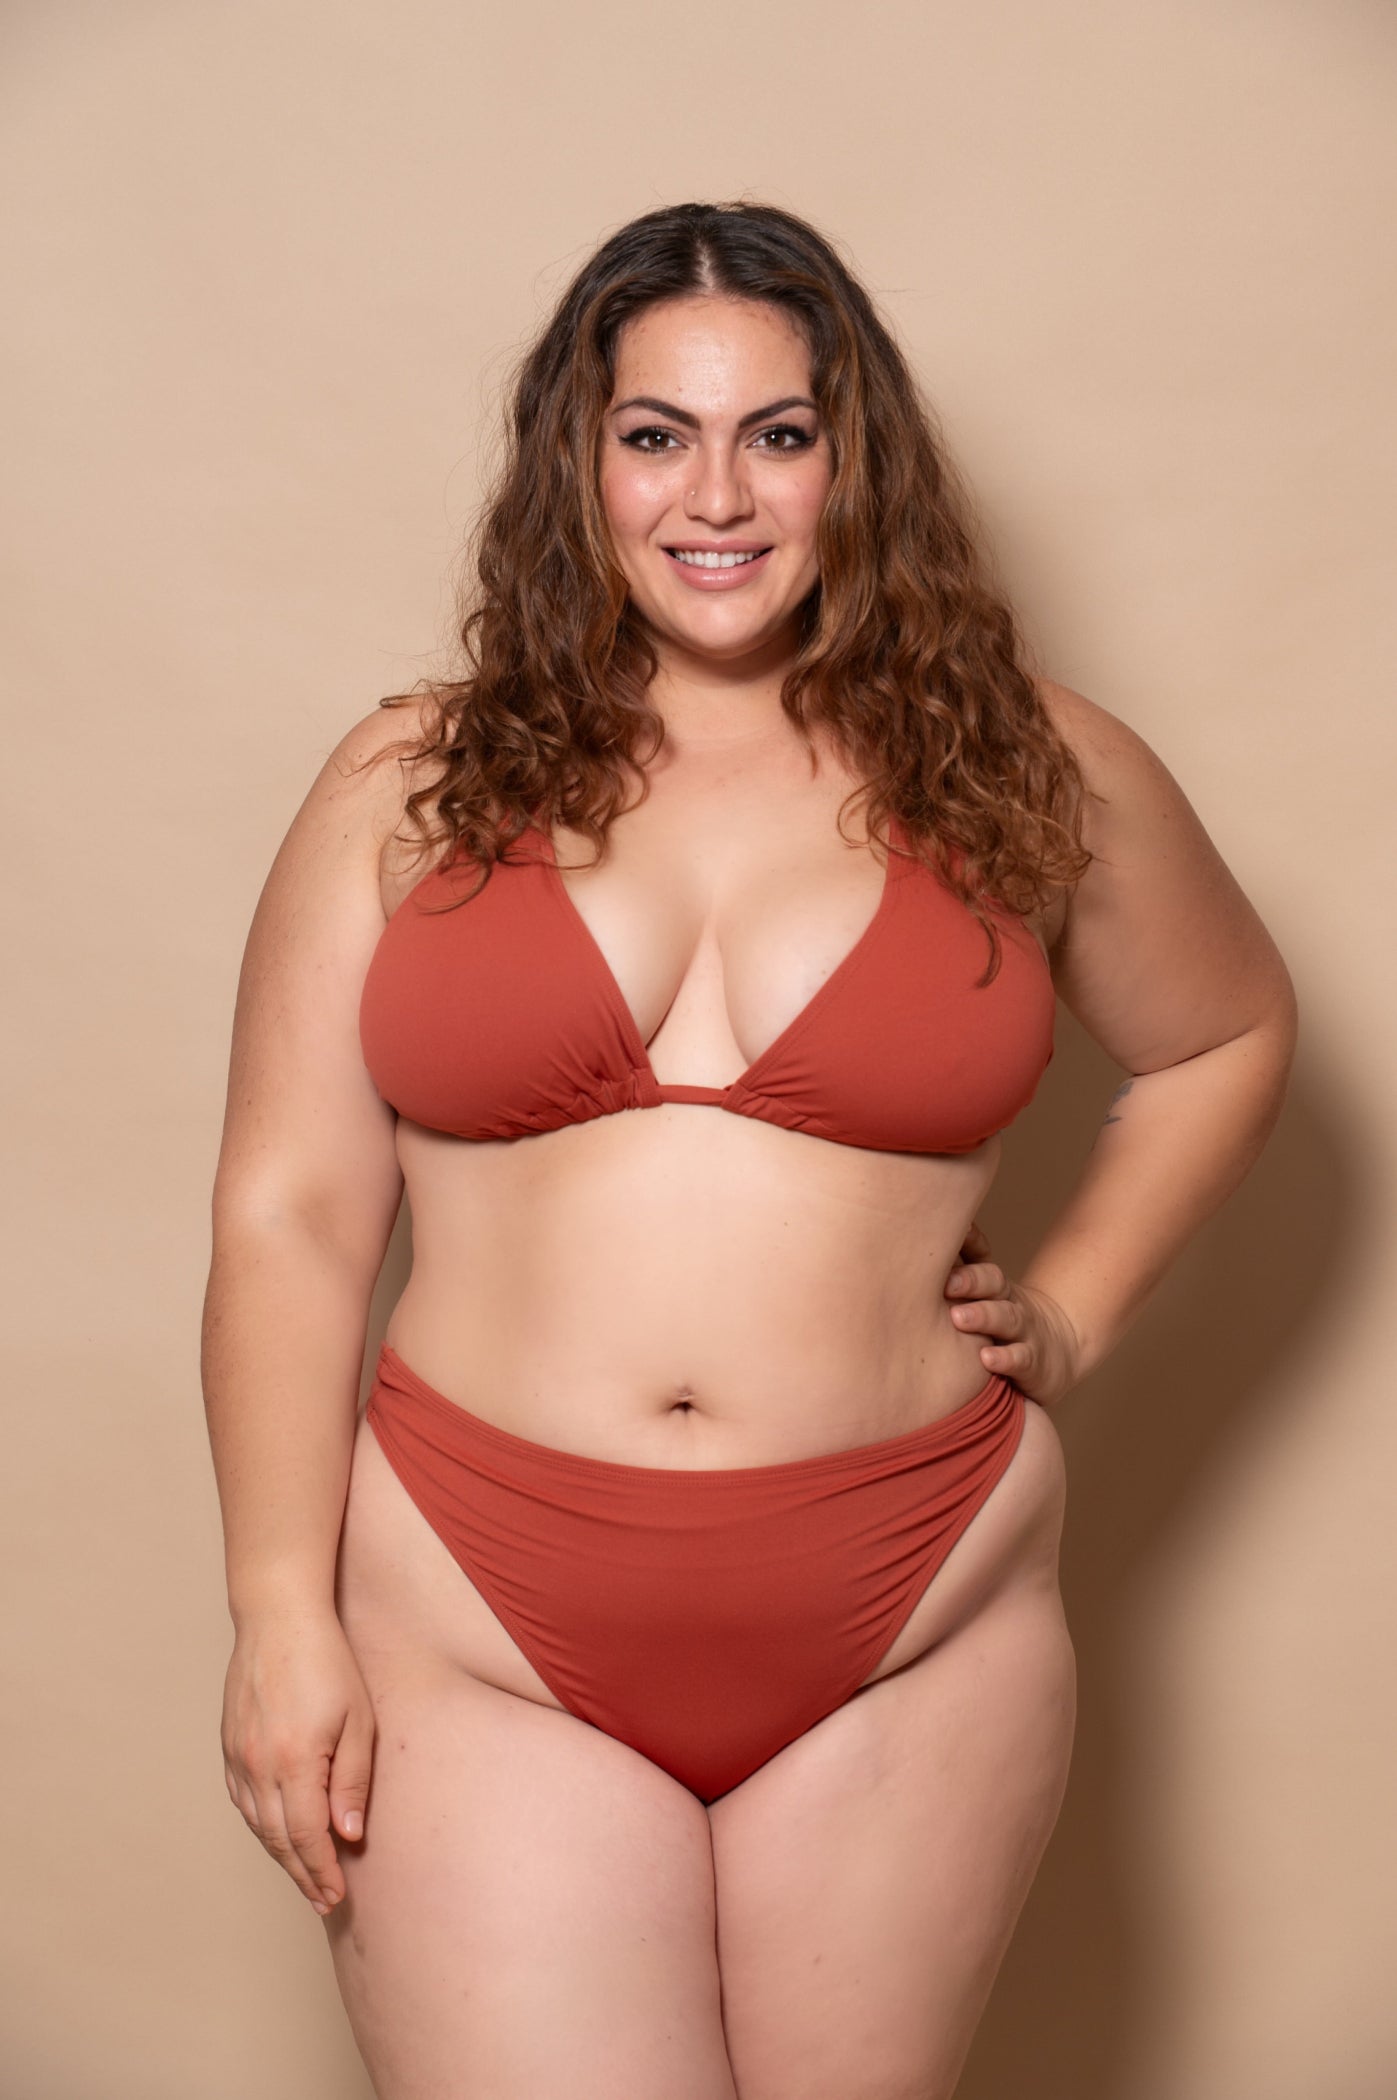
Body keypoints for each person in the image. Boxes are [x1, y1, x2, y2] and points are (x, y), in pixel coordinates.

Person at [202, 199, 1298, 2100]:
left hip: (914, 1604)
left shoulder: (1024, 762)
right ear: (579, 462)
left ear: (852, 460)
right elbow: (289, 1216)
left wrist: (1073, 1307)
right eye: (656, 435)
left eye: (778, 434)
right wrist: (278, 1614)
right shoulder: (409, 780)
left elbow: (1224, 1034)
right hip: (477, 1609)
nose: (716, 495)